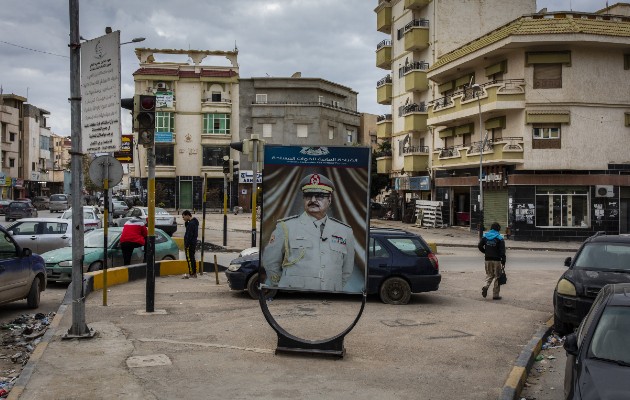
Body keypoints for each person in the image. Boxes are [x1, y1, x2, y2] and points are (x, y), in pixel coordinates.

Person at [262, 173, 355, 292]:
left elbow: (347, 270)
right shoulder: (286, 227)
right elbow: (270, 262)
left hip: (330, 299)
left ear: (330, 199)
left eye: (320, 196)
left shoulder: (345, 231)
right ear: (303, 199)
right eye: (308, 196)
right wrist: (282, 286)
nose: (313, 200)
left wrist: (334, 286)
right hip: (294, 296)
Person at [478, 222, 506, 300]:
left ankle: (485, 286)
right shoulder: (499, 238)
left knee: (489, 275)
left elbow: (479, 246)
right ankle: (495, 295)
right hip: (496, 260)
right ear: (498, 229)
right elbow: (502, 251)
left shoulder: (485, 236)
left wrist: (485, 252)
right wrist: (503, 260)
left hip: (487, 259)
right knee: (497, 277)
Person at [182, 210, 199, 279]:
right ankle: (193, 272)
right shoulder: (193, 222)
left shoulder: (191, 224)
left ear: (187, 215)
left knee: (189, 259)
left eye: (183, 217)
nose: (183, 218)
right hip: (193, 243)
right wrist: (186, 223)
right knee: (192, 258)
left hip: (190, 244)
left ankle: (192, 273)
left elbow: (189, 235)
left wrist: (186, 244)